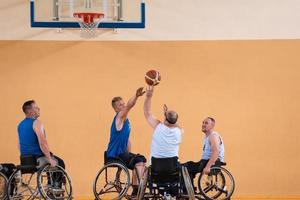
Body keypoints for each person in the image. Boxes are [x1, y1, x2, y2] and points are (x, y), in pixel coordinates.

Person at [106, 87, 147, 196]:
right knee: (138, 160)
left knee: (140, 159)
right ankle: (138, 189)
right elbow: (130, 105)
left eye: (123, 104)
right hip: (114, 154)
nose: (123, 106)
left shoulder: (126, 121)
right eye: (120, 105)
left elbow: (127, 140)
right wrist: (136, 96)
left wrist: (129, 155)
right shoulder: (119, 117)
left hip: (121, 153)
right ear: (115, 109)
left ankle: (135, 188)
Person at [18, 100, 65, 190]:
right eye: (36, 107)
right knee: (60, 162)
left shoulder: (20, 125)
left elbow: (19, 145)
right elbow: (43, 143)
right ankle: (54, 189)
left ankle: (50, 184)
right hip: (38, 159)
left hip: (25, 160)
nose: (38, 109)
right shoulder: (37, 123)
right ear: (30, 111)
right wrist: (49, 158)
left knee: (49, 159)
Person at [143, 86, 182, 159]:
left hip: (156, 167)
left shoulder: (158, 126)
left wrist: (149, 97)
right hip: (172, 168)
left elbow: (147, 112)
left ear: (165, 118)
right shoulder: (179, 131)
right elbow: (174, 123)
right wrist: (167, 115)